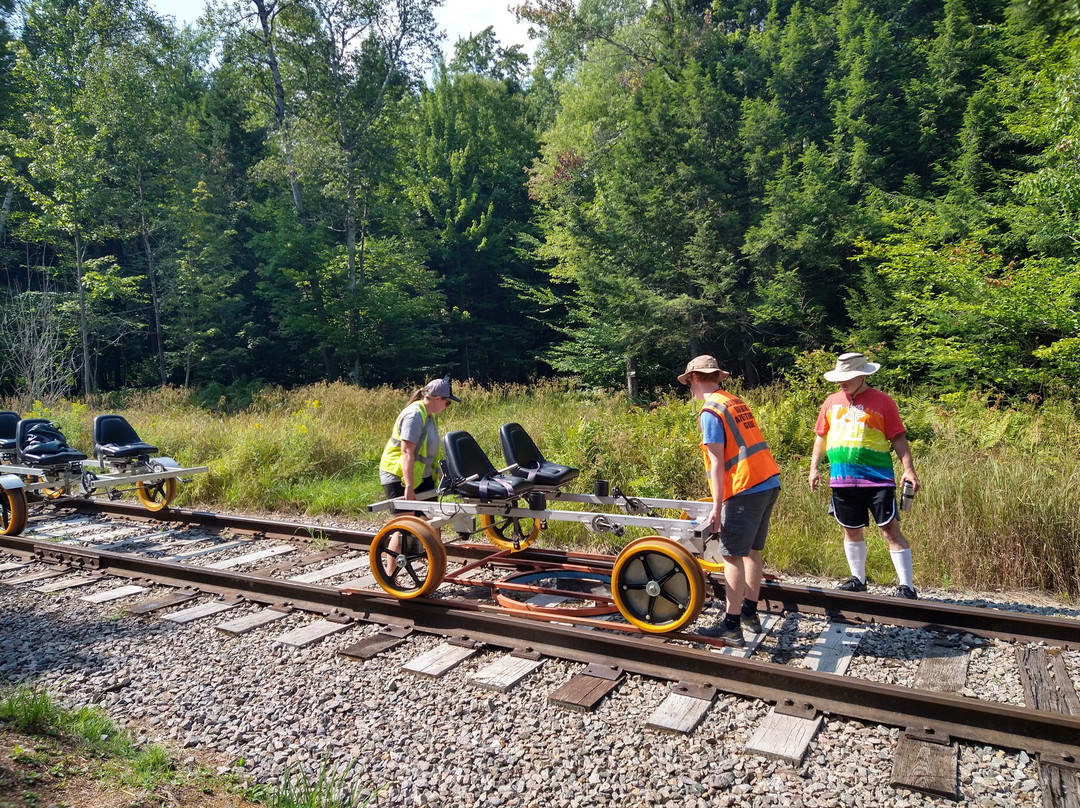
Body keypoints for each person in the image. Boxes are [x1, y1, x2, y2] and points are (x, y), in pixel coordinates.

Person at [678, 355, 781, 647]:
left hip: (745, 487)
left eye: (689, 383)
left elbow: (716, 463)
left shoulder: (710, 411)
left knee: (732, 556)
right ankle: (749, 612)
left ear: (696, 378)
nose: (690, 389)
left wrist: (716, 507)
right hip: (767, 480)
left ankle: (732, 626)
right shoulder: (734, 401)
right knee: (752, 551)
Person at [808, 352, 920, 599]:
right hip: (842, 480)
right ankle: (857, 580)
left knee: (890, 529)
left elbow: (898, 437)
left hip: (877, 479)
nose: (842, 382)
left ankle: (907, 587)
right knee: (851, 530)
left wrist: (908, 469)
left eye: (847, 378)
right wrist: (814, 467)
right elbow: (821, 436)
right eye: (840, 378)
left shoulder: (883, 402)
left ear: (862, 375)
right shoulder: (831, 401)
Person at [379, 375, 460, 506]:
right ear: (438, 399)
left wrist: (440, 474)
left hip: (421, 475)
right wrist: (409, 486)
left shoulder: (431, 416)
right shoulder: (414, 416)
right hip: (399, 475)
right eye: (448, 403)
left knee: (432, 521)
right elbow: (406, 452)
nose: (447, 407)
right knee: (409, 522)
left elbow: (429, 451)